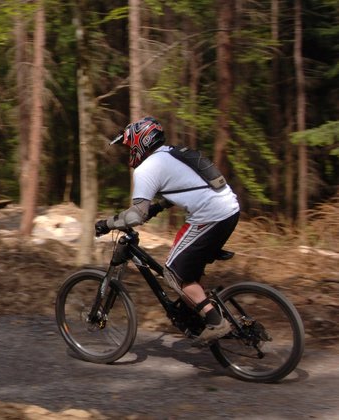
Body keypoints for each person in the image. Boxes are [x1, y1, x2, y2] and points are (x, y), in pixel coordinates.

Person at [95, 116, 240, 345]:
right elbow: (186, 187)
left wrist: (106, 224)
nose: (130, 152)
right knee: (189, 269)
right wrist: (157, 208)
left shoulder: (147, 168)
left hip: (210, 215)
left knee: (173, 271)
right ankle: (203, 310)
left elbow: (135, 216)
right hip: (229, 208)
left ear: (140, 142)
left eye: (130, 146)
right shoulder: (171, 153)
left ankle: (215, 322)